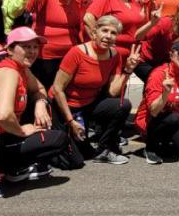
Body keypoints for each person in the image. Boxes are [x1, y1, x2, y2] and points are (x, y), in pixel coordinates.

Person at [0, 27, 67, 199]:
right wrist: (21, 130)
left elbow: (40, 88)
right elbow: (3, 115)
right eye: (26, 47)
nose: (32, 51)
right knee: (58, 139)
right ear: (10, 50)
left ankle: (12, 169)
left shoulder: (21, 69)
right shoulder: (9, 73)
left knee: (51, 136)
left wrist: (40, 104)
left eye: (35, 47)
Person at [50, 15, 137, 165]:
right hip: (64, 107)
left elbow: (113, 92)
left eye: (113, 33)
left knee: (123, 105)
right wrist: (70, 121)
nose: (108, 36)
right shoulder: (77, 52)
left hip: (88, 106)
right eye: (105, 30)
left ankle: (104, 149)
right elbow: (58, 89)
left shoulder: (114, 55)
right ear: (95, 31)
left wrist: (128, 70)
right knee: (74, 161)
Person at [133, 37, 179, 166]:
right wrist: (165, 93)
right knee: (173, 117)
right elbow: (154, 111)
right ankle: (150, 148)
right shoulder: (159, 74)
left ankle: (164, 144)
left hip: (173, 122)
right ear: (171, 54)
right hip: (150, 122)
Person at [30, 0, 88, 92]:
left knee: (62, 91)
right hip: (45, 56)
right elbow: (30, 7)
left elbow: (80, 25)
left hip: (69, 55)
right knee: (44, 90)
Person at [85, 0, 157, 59]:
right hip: (111, 54)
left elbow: (136, 31)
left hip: (133, 55)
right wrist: (98, 41)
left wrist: (152, 22)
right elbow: (88, 18)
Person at [137, 0, 179, 82]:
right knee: (158, 79)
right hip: (146, 61)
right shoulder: (166, 22)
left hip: (165, 63)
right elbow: (138, 36)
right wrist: (151, 24)